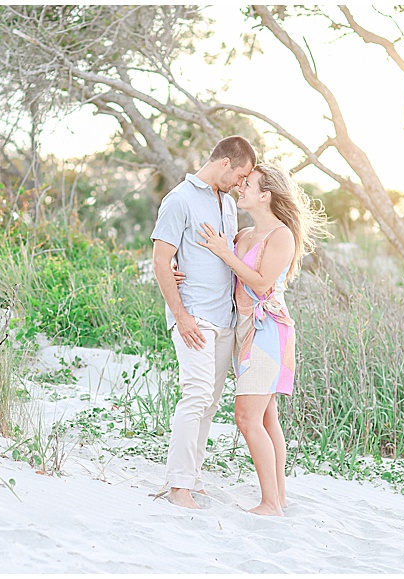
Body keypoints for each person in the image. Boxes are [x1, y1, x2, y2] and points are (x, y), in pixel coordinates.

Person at [193, 162, 325, 516]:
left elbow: (262, 283)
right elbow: (225, 275)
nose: (241, 187)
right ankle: (277, 499)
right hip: (244, 330)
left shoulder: (281, 236)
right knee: (267, 418)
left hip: (268, 331)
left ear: (266, 195)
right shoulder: (244, 234)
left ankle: (269, 503)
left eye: (248, 184)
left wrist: (224, 251)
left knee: (247, 418)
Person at [150, 136, 256, 510]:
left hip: (224, 316)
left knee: (209, 402)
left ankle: (192, 476)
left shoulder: (228, 203)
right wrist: (181, 317)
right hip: (193, 317)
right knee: (194, 395)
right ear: (225, 163)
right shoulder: (179, 199)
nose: (242, 184)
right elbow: (161, 261)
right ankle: (177, 486)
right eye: (241, 175)